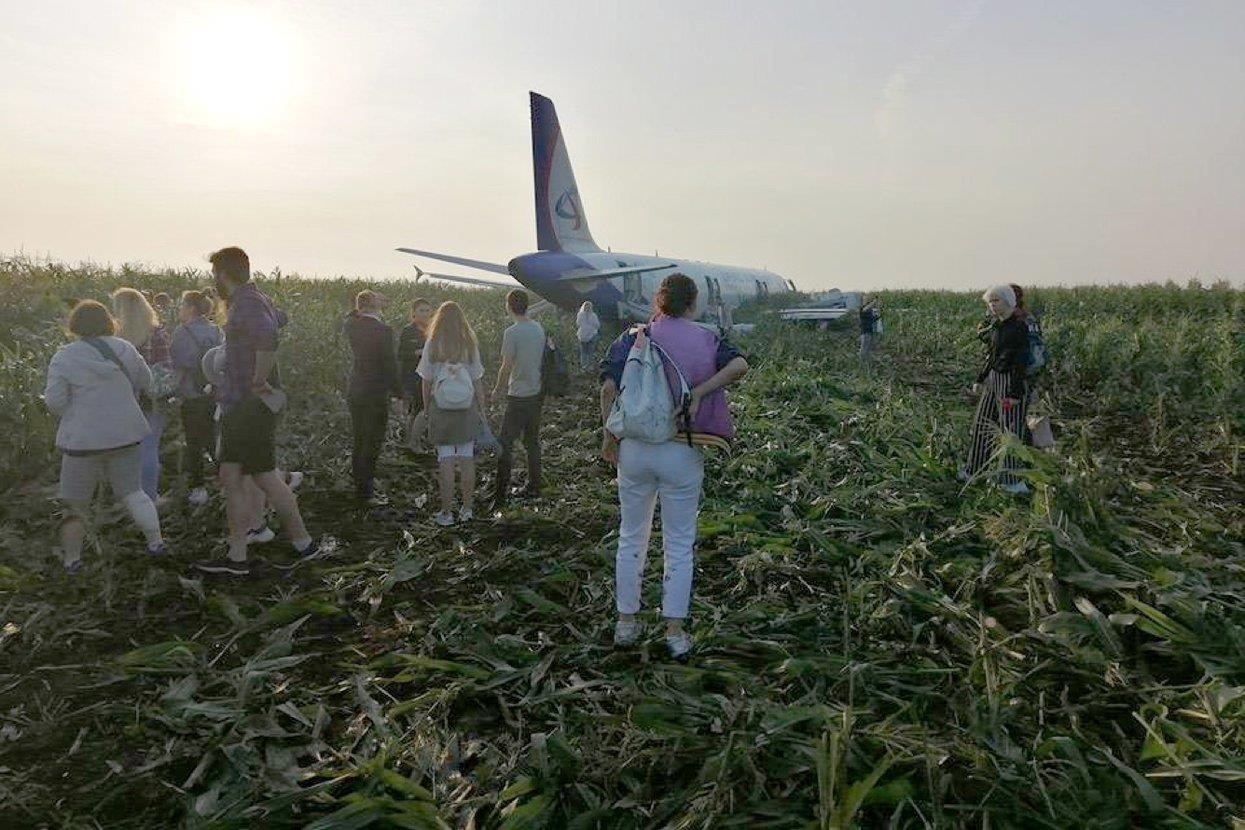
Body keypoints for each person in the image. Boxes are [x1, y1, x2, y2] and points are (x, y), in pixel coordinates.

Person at [599, 273, 749, 659]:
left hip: (634, 449)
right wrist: (699, 392)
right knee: (679, 542)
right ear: (692, 302)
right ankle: (675, 632)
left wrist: (609, 434)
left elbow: (607, 388)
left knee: (632, 536)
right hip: (682, 448)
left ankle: (626, 624)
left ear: (659, 301)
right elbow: (739, 365)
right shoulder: (705, 337)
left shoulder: (633, 337)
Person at [194, 247, 317, 576]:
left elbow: (268, 338)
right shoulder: (254, 299)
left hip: (247, 405)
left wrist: (259, 380)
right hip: (241, 403)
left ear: (222, 274)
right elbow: (279, 320)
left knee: (263, 476)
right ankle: (238, 555)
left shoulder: (247, 303)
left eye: (214, 274)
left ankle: (303, 543)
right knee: (232, 476)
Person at [43, 301, 167, 572]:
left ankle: (72, 560)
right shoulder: (125, 349)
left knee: (75, 504)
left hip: (82, 443)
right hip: (125, 434)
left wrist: (76, 416)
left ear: (75, 325)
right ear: (108, 321)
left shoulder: (64, 357)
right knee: (134, 493)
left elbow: (54, 401)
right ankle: (156, 542)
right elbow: (146, 382)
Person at [418, 301, 486, 526]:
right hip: (466, 407)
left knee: (445, 460)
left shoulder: (433, 343)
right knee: (467, 459)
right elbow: (477, 379)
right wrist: (482, 408)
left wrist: (427, 408)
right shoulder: (469, 342)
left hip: (442, 406)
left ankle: (446, 513)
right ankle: (467, 509)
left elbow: (426, 381)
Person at [961, 284, 1031, 494]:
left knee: (1011, 431)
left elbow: (1021, 361)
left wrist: (1015, 394)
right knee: (982, 423)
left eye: (996, 300)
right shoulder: (998, 326)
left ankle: (1012, 482)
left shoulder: (1019, 327)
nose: (992, 305)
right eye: (990, 301)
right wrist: (981, 378)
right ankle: (974, 470)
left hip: (1010, 382)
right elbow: (992, 356)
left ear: (1009, 301)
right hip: (994, 380)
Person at [111, 287, 173, 501]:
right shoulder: (155, 332)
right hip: (152, 398)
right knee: (149, 447)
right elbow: (165, 366)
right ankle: (149, 497)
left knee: (126, 450)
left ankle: (128, 496)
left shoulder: (114, 337)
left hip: (122, 399)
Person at [344, 290, 402, 502]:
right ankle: (366, 492)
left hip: (356, 389)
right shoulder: (383, 331)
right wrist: (398, 393)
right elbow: (389, 365)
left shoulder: (351, 325)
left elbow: (351, 315)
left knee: (359, 438)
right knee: (372, 441)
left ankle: (360, 486)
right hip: (375, 392)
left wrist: (365, 303)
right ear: (375, 305)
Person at [491, 290, 546, 505]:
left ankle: (499, 494)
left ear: (509, 306)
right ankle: (535, 485)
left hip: (518, 394)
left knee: (505, 443)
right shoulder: (538, 328)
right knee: (532, 441)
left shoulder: (512, 333)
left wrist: (497, 390)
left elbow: (506, 367)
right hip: (535, 391)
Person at [171, 290, 223, 506]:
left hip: (192, 395)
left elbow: (178, 366)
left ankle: (198, 487)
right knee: (213, 437)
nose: (179, 309)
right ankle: (228, 480)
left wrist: (173, 393)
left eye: (182, 305)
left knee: (193, 442)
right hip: (214, 392)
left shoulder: (182, 333)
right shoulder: (216, 330)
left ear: (191, 308)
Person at [398, 297, 434, 407]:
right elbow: (400, 355)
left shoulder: (434, 330)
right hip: (412, 379)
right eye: (421, 311)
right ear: (414, 312)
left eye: (427, 311)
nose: (425, 314)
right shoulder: (408, 331)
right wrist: (416, 353)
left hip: (430, 379)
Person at [575, 300, 601, 372]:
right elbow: (598, 325)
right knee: (590, 351)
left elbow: (577, 324)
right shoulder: (593, 315)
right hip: (591, 335)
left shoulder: (580, 315)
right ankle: (589, 366)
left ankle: (584, 366)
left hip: (582, 336)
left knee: (583, 352)